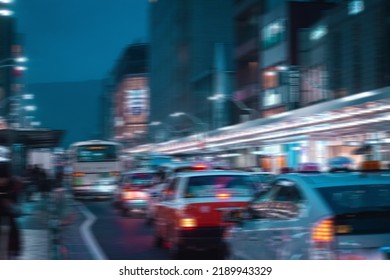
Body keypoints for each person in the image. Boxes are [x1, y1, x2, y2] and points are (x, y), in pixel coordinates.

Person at [0, 161, 22, 259]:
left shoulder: (10, 190)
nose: (1, 180)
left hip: (8, 225)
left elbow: (17, 211)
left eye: (3, 178)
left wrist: (10, 205)